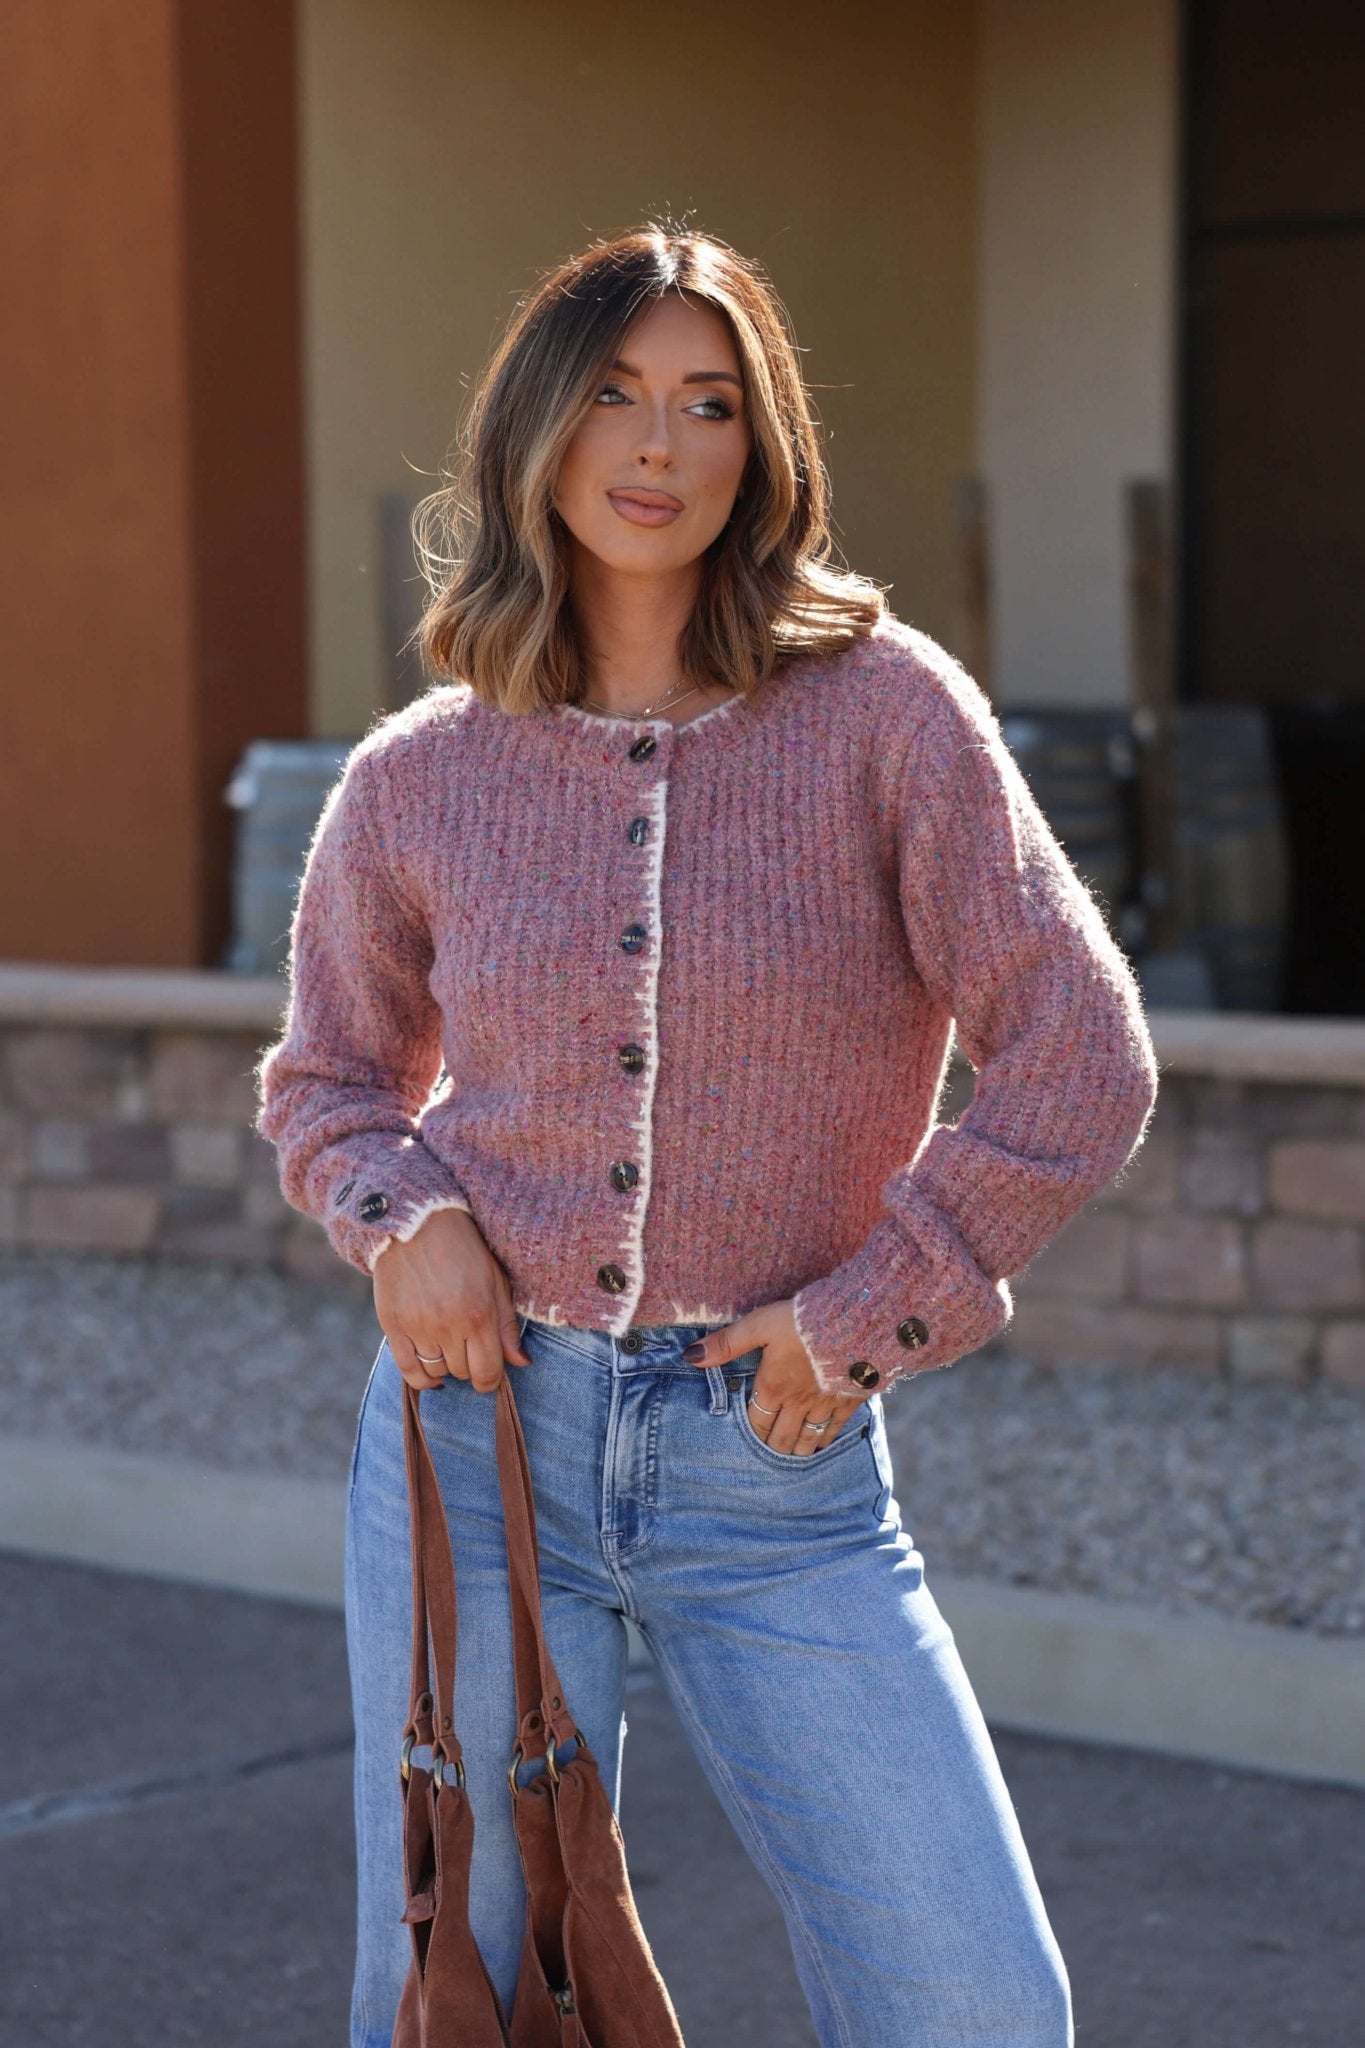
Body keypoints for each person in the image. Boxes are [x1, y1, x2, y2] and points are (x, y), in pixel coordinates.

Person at [255, 222, 1158, 2048]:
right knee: (463, 1991)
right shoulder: (420, 773)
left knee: (973, 2003)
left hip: (776, 1468)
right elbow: (329, 1080)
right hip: (478, 1449)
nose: (658, 445)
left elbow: (1081, 1053)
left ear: (763, 447)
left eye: (709, 403)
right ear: (535, 425)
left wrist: (872, 1312)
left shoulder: (885, 718)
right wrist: (400, 1214)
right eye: (613, 394)